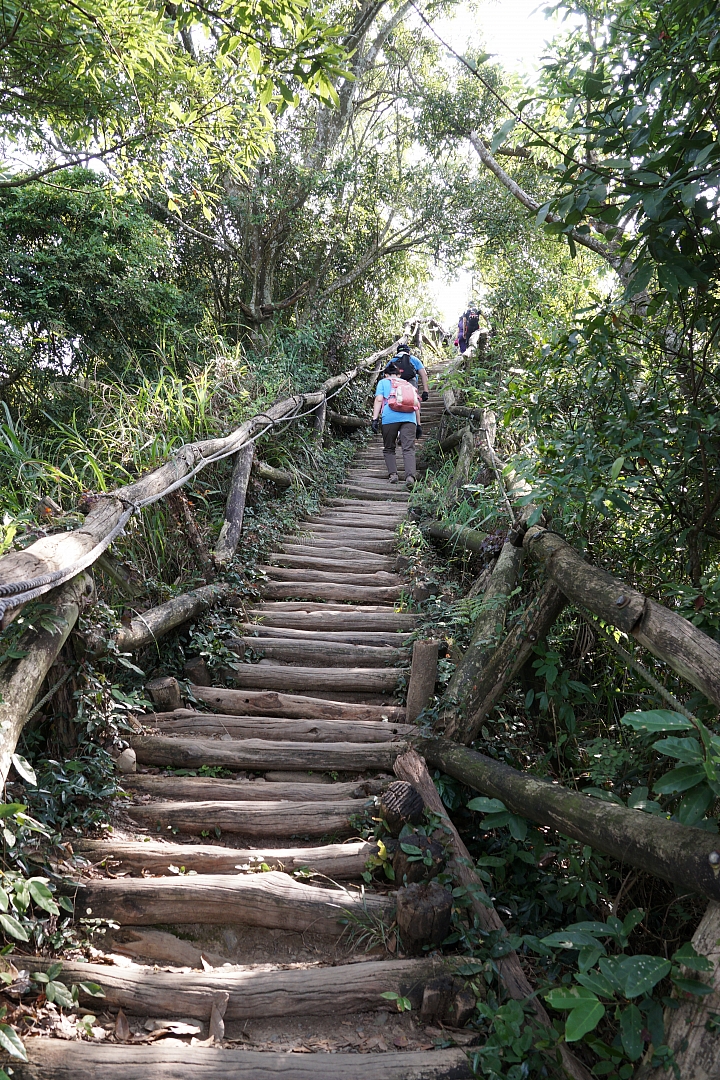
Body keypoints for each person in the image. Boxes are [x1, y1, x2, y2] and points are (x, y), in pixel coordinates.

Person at [371, 360, 421, 489]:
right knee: (408, 448)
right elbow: (416, 404)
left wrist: (375, 419)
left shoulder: (383, 382)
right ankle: (410, 477)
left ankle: (393, 475)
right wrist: (418, 424)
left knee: (389, 447)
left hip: (390, 417)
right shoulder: (407, 384)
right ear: (399, 375)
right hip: (410, 418)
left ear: (386, 374)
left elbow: (379, 399)